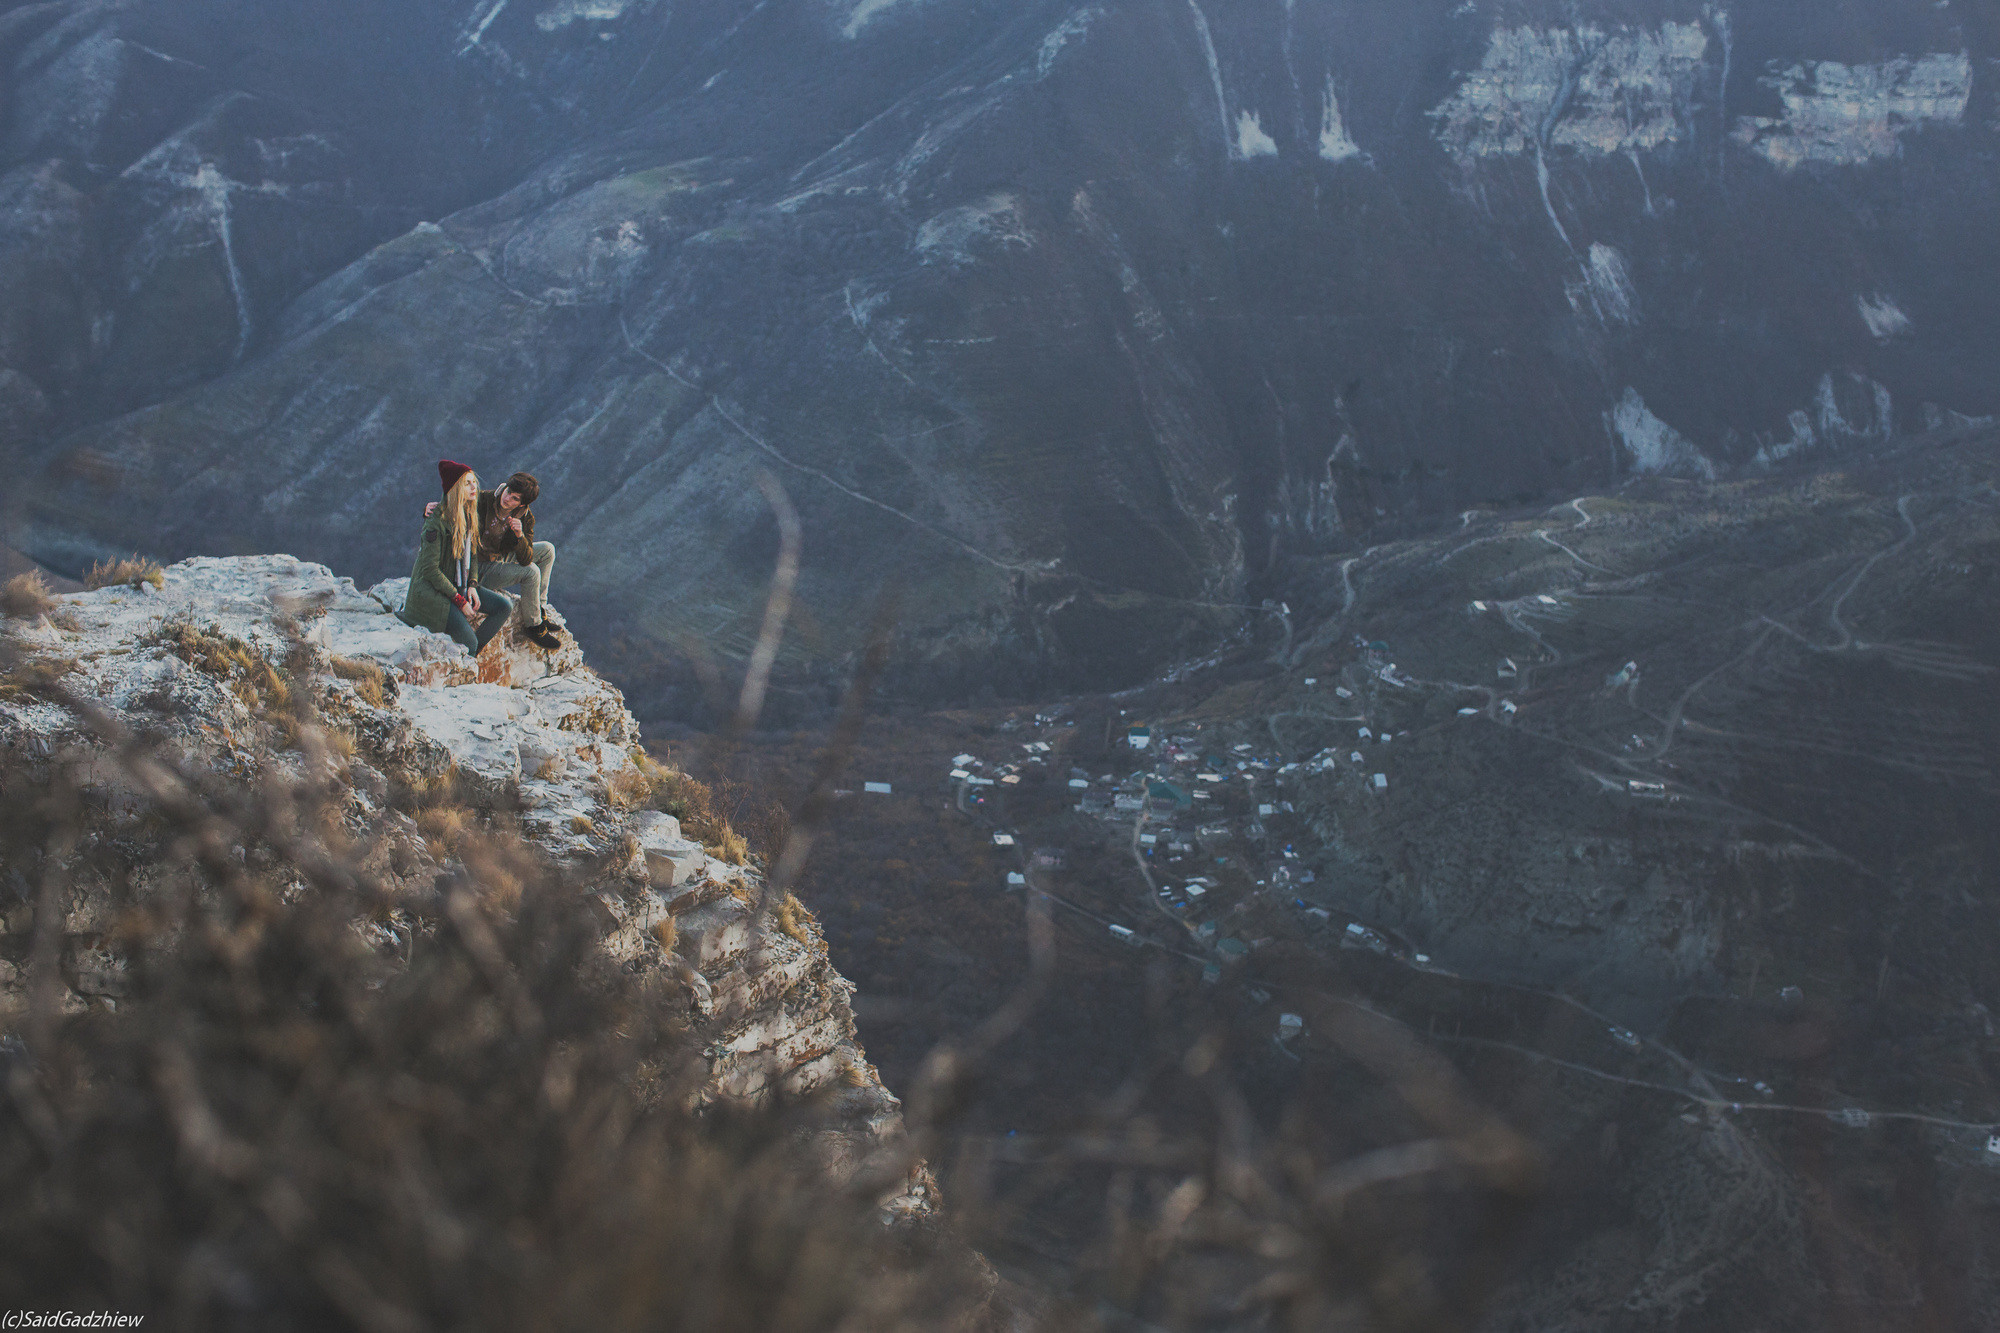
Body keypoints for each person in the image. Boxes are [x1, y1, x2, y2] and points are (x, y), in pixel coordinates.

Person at [426, 471, 563, 651]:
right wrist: (429, 509)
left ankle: (539, 610)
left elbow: (525, 558)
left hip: (498, 555)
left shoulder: (525, 517)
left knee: (547, 550)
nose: (507, 499)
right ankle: (534, 626)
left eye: (514, 498)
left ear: (522, 504)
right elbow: (453, 506)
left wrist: (519, 536)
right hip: (477, 565)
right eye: (508, 492)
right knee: (531, 572)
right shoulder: (483, 501)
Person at [400, 460, 514, 655]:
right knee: (468, 643)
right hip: (433, 592)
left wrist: (472, 584)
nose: (474, 487)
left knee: (503, 607)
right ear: (455, 489)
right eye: (467, 483)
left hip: (459, 583)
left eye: (474, 482)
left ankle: (471, 657)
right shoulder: (435, 523)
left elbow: (473, 556)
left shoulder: (469, 515)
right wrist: (460, 600)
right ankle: (469, 655)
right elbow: (430, 570)